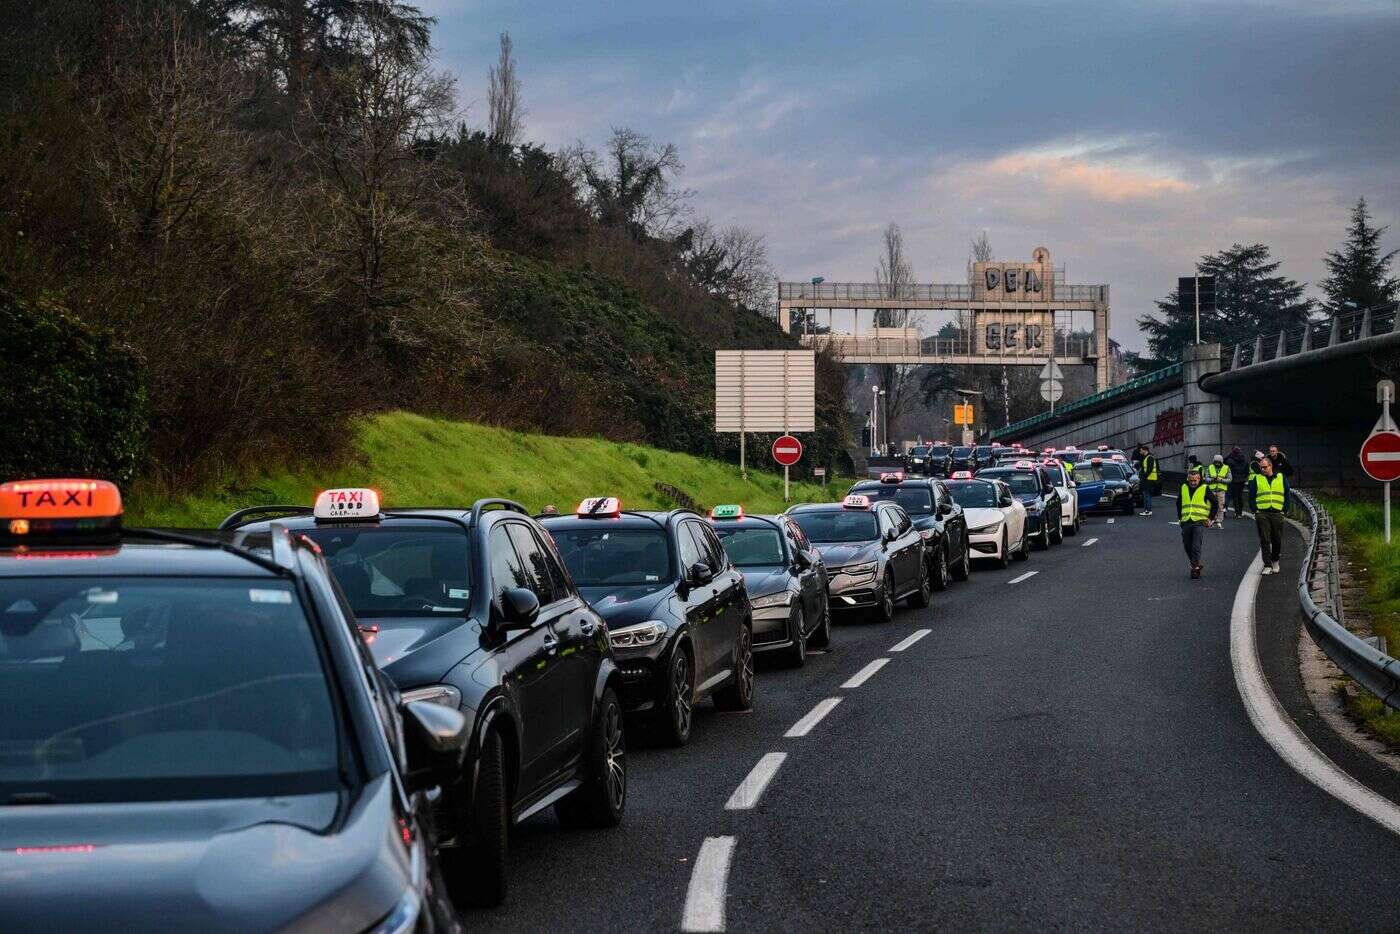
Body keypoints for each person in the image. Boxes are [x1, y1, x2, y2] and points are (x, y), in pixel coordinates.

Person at [1251, 455, 1290, 574]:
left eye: (1265, 467)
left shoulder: (1281, 477)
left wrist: (1284, 509)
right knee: (1265, 539)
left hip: (1277, 513)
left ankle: (1275, 560)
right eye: (1261, 468)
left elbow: (1287, 493)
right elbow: (1252, 496)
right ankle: (1267, 565)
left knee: (1277, 539)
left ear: (1270, 466)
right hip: (1262, 513)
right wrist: (1255, 510)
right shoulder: (1256, 479)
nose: (1262, 469)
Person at [1178, 469, 1215, 579]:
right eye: (1191, 480)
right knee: (1186, 544)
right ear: (1188, 479)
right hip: (1185, 521)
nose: (1193, 483)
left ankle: (1194, 568)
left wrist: (1210, 518)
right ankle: (1196, 563)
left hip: (1199, 521)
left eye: (1195, 480)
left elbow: (1215, 503)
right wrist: (1180, 517)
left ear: (1199, 479)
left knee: (1196, 545)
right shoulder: (1183, 487)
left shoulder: (1204, 488)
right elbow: (1178, 503)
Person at [1205, 454, 1231, 528]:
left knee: (1220, 506)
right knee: (1209, 505)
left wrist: (1221, 480)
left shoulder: (1226, 468)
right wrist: (1212, 480)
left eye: (1218, 462)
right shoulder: (1210, 467)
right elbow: (1206, 478)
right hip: (1211, 490)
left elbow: (1230, 479)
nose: (1217, 463)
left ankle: (1219, 521)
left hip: (1221, 490)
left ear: (1221, 462)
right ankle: (1210, 520)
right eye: (1216, 462)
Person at [1225, 446, 1249, 517]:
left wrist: (1228, 456)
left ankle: (1236, 512)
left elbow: (1224, 462)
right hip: (1241, 481)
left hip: (1234, 481)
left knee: (1235, 497)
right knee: (1240, 497)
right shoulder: (1244, 460)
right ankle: (1240, 513)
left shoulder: (1230, 460)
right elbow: (1247, 470)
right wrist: (1244, 477)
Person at [1138, 444, 1158, 516]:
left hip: (1149, 479)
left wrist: (1144, 477)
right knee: (1146, 494)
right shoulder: (1146, 457)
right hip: (1148, 478)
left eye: (1141, 450)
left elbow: (1150, 469)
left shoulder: (1150, 458)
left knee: (1147, 494)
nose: (1140, 452)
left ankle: (1148, 510)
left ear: (1145, 450)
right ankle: (1147, 510)